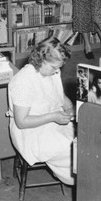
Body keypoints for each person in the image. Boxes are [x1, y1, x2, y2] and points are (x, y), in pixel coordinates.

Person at [7, 37, 75, 185]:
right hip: (30, 131)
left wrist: (70, 109)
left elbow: (62, 97)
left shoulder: (52, 73)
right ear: (40, 59)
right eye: (54, 67)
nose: (57, 71)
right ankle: (82, 181)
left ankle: (81, 175)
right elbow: (22, 122)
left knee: (84, 141)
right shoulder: (23, 81)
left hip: (52, 120)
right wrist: (53, 116)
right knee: (71, 149)